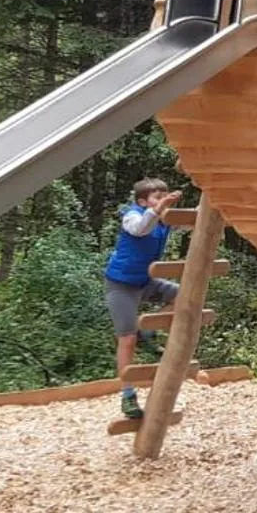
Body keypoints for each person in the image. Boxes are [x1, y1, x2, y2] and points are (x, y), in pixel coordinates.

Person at [107, 178, 185, 420]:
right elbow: (140, 229)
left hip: (146, 281)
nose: (163, 200)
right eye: (157, 197)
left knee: (185, 296)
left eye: (164, 195)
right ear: (142, 202)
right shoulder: (132, 215)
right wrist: (158, 209)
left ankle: (149, 331)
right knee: (127, 339)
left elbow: (189, 223)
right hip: (121, 285)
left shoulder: (164, 219)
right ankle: (127, 394)